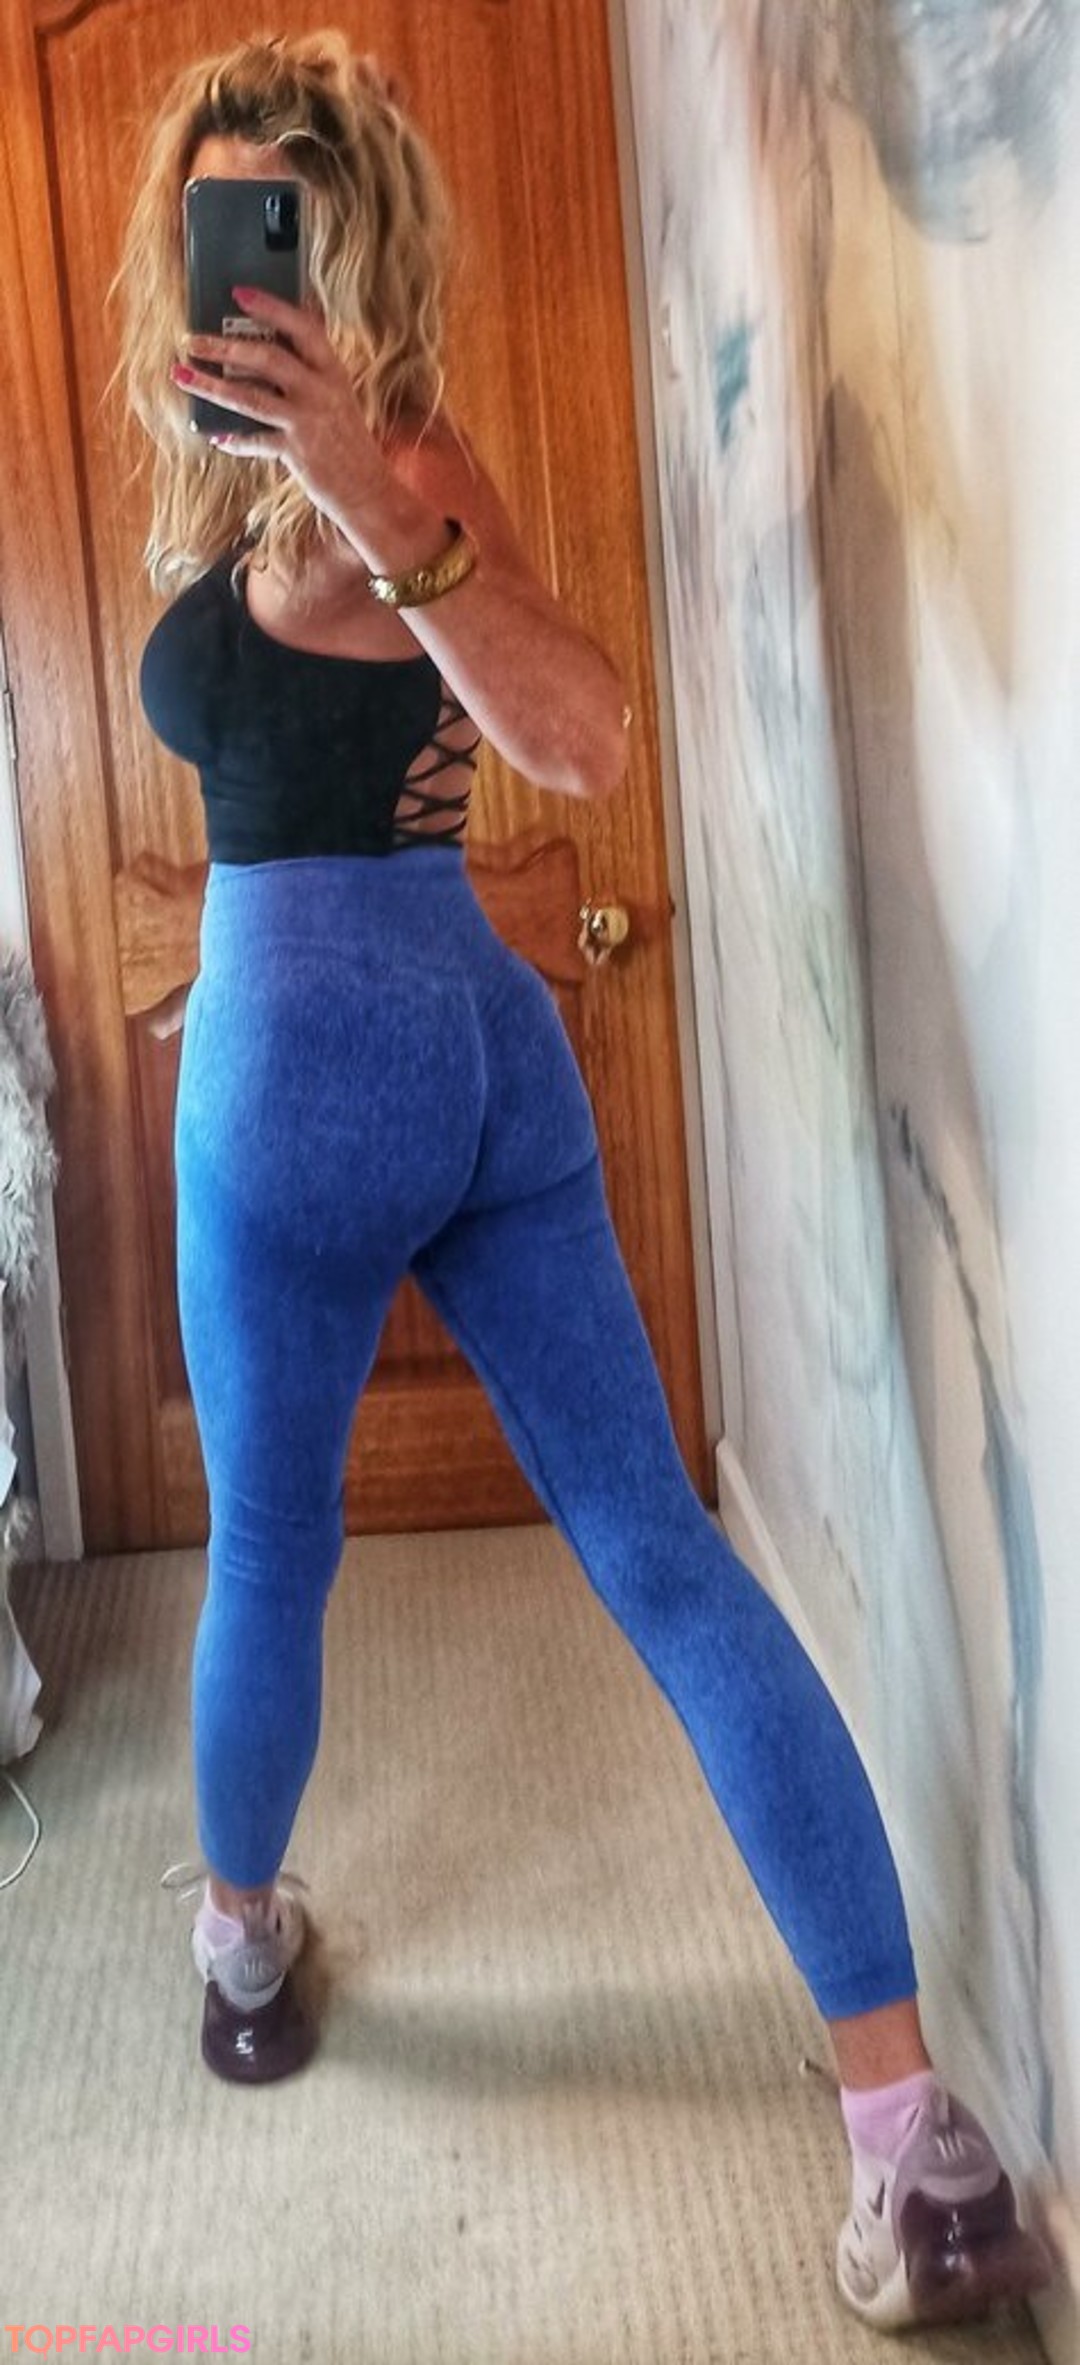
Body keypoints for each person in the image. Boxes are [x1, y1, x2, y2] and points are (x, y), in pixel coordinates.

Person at [116, 29, 1052, 2335]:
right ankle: (906, 2138)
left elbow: (587, 736)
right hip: (455, 1042)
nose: (249, 276)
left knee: (279, 1550)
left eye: (281, 228)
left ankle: (239, 1941)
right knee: (650, 1545)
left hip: (302, 1085)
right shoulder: (253, 487)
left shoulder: (398, 461)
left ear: (355, 245)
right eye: (223, 229)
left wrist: (373, 491)